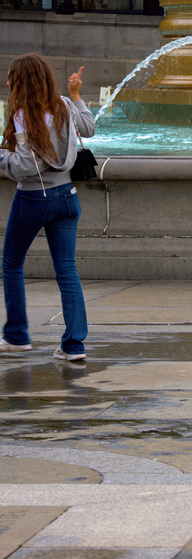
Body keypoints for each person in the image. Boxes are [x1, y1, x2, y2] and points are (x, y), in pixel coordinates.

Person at [0, 54, 94, 360]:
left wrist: (1, 157)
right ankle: (74, 345)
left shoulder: (22, 114)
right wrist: (77, 95)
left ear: (19, 81)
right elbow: (89, 128)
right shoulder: (64, 105)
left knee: (12, 263)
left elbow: (26, 165)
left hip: (33, 198)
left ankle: (16, 336)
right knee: (67, 270)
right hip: (68, 195)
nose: (7, 80)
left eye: (10, 76)